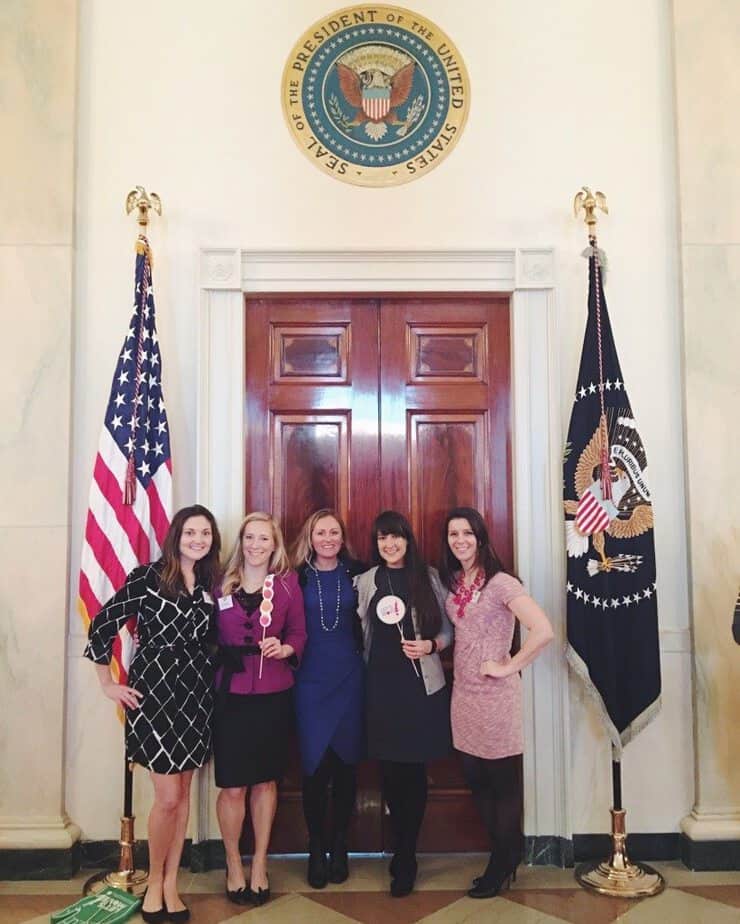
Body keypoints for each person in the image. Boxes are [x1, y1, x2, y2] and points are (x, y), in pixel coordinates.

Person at [85, 504, 222, 924]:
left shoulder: (209, 583)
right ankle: (153, 884)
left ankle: (169, 883)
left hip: (196, 697)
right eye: (190, 532)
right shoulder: (149, 576)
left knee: (183, 800)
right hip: (156, 698)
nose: (198, 540)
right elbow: (102, 624)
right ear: (176, 535)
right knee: (166, 799)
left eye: (205, 533)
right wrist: (107, 685)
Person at [440, 507, 554, 899]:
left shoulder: (502, 583)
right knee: (476, 780)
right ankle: (505, 853)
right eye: (453, 534)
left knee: (502, 784)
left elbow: (543, 630)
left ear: (481, 537)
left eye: (467, 534)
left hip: (496, 699)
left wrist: (509, 667)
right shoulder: (453, 582)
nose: (460, 541)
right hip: (463, 696)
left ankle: (502, 863)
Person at [356, 510, 453, 897]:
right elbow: (358, 628)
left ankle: (408, 855)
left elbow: (449, 627)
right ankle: (400, 847)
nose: (389, 544)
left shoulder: (428, 577)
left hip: (420, 690)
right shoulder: (365, 581)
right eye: (382, 538)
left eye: (395, 537)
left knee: (414, 774)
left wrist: (432, 645)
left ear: (407, 540)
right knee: (390, 773)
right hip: (381, 689)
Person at [213, 512, 306, 907]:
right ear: (242, 541)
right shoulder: (220, 582)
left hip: (273, 693)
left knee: (266, 781)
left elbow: (299, 632)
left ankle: (260, 863)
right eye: (249, 537)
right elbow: (203, 634)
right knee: (233, 785)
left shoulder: (287, 584)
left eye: (263, 539)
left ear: (275, 544)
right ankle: (233, 861)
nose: (255, 545)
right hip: (230, 695)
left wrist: (286, 648)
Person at [291, 509, 365, 889]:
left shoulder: (359, 573)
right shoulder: (294, 575)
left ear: (342, 536)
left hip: (351, 680)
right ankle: (316, 848)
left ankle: (340, 846)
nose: (328, 539)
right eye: (321, 532)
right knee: (315, 770)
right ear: (311, 536)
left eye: (334, 532)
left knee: (346, 769)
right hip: (309, 683)